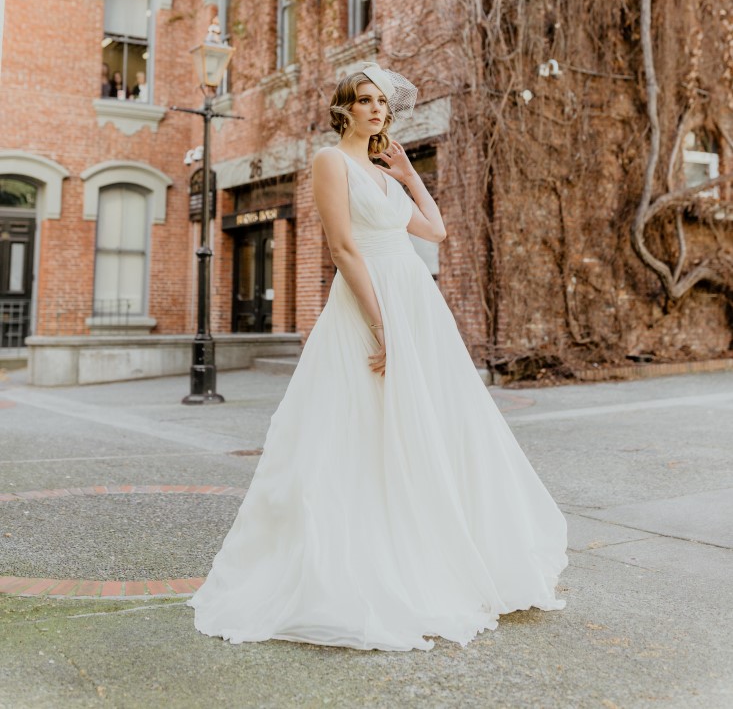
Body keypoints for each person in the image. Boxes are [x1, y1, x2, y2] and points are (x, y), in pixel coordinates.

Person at [188, 62, 567, 652]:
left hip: (416, 302)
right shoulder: (330, 161)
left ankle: (430, 542)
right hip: (370, 302)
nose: (376, 110)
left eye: (383, 104)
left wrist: (412, 175)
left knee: (430, 422)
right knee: (356, 424)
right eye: (365, 101)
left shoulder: (385, 174)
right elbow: (343, 247)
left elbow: (435, 233)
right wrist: (379, 324)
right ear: (344, 108)